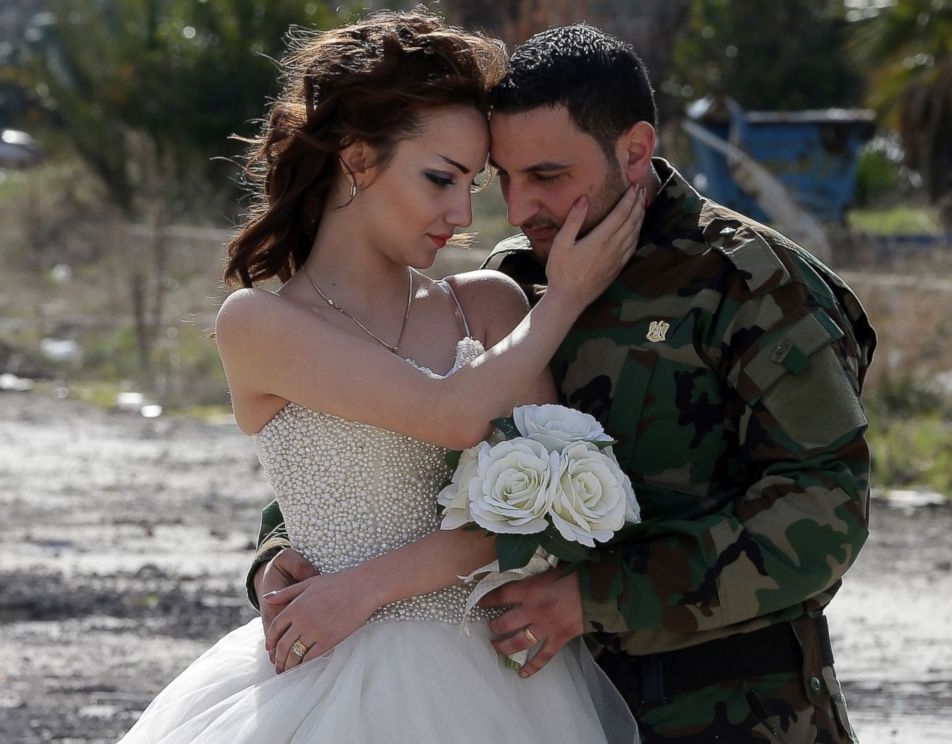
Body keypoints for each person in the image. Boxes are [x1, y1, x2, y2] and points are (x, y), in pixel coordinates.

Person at [250, 23, 877, 744]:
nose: (519, 210)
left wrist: (595, 597)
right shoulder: (518, 277)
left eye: (547, 176)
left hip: (733, 709)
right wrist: (281, 558)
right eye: (505, 178)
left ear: (635, 151)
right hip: (533, 700)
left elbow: (824, 511)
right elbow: (387, 448)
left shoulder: (753, 283)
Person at [118, 11, 646, 744]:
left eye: (472, 185)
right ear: (358, 160)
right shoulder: (259, 325)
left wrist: (362, 590)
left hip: (495, 681)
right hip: (321, 676)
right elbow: (452, 414)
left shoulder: (492, 306)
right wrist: (566, 297)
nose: (463, 214)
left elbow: (541, 509)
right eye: (440, 179)